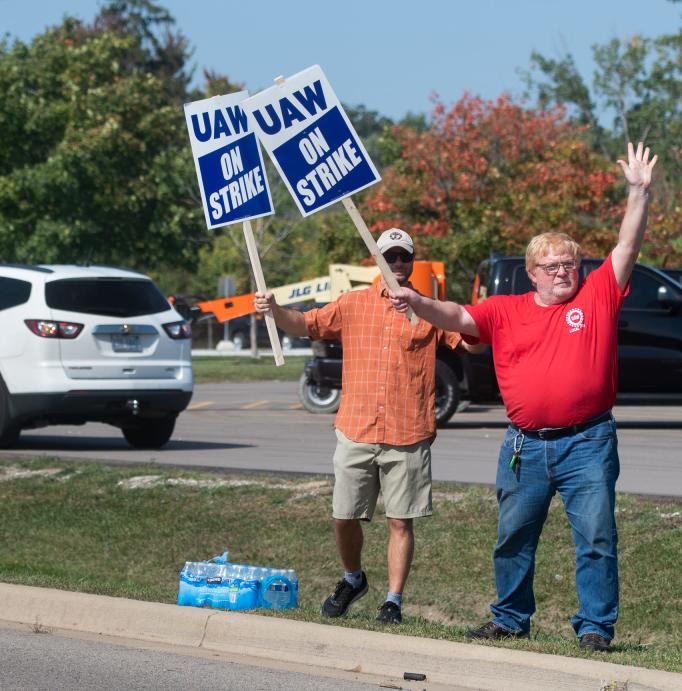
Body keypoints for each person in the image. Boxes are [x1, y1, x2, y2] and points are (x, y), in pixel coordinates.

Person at [389, 141, 658, 652]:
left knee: (597, 539)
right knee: (513, 537)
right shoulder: (505, 309)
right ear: (531, 273)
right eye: (552, 266)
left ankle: (596, 628)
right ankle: (511, 618)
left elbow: (626, 248)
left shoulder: (598, 295)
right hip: (525, 446)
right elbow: (459, 318)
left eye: (569, 263)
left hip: (588, 442)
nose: (563, 271)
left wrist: (638, 193)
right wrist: (418, 301)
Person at [254, 228, 472, 625]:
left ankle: (393, 600)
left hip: (408, 433)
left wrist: (484, 321)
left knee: (399, 520)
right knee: (343, 515)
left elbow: (471, 342)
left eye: (404, 257)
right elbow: (303, 324)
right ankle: (353, 578)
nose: (398, 265)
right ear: (377, 261)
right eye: (390, 257)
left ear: (412, 261)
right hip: (356, 428)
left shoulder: (429, 309)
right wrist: (274, 309)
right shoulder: (352, 304)